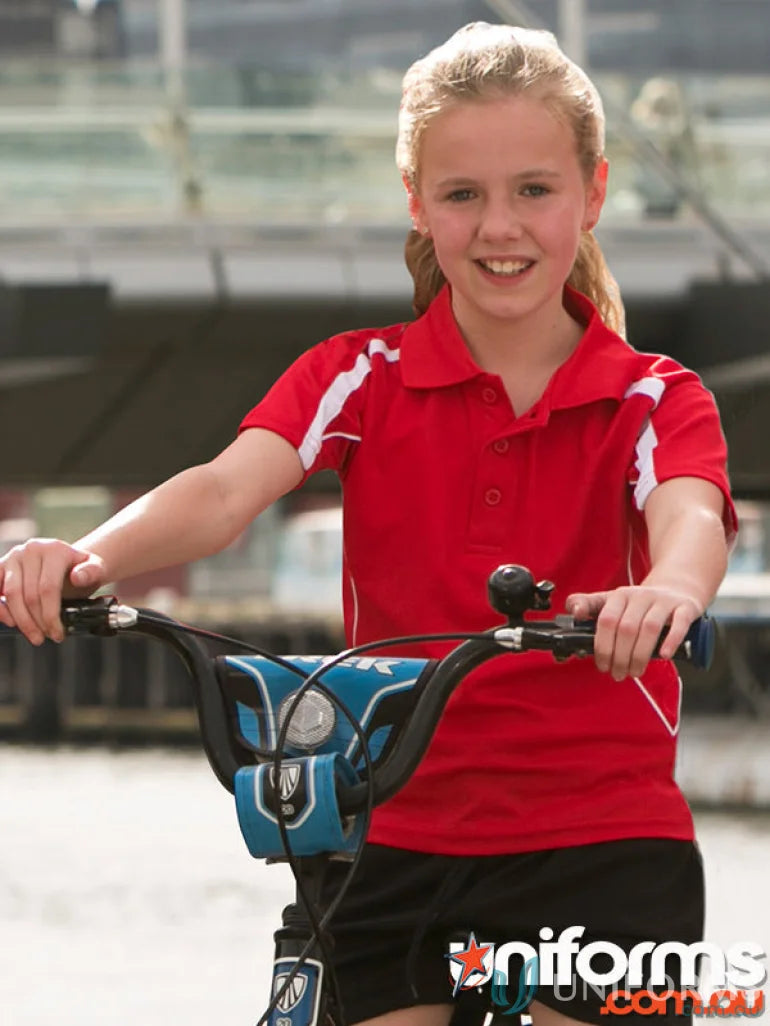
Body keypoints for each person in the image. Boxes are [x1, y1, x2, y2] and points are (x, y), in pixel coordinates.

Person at [0, 22, 736, 1026]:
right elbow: (222, 492)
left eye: (534, 189)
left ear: (593, 193)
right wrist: (88, 557)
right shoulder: (358, 375)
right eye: (461, 195)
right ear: (416, 203)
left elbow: (689, 514)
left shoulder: (652, 396)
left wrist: (666, 593)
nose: (499, 227)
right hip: (387, 826)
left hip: (600, 839)